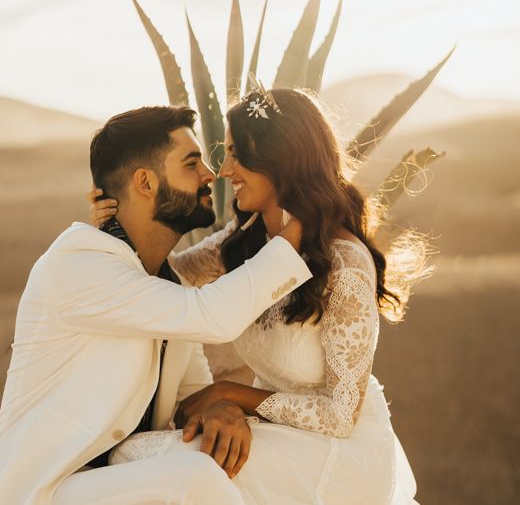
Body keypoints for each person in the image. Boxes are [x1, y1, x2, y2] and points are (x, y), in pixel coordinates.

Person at [91, 85, 426, 504]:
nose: (225, 169)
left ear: (280, 160)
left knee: (147, 462)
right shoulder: (243, 242)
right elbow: (163, 281)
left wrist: (230, 394)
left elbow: (340, 415)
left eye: (237, 154)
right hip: (271, 432)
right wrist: (114, 225)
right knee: (136, 460)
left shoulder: (344, 265)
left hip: (332, 453)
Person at [0, 106, 313, 505]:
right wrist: (300, 228)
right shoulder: (79, 264)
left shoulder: (168, 284)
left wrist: (223, 409)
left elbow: (190, 396)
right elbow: (213, 317)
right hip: (39, 490)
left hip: (108, 483)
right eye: (191, 163)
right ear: (146, 182)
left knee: (234, 460)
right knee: (193, 479)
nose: (210, 175)